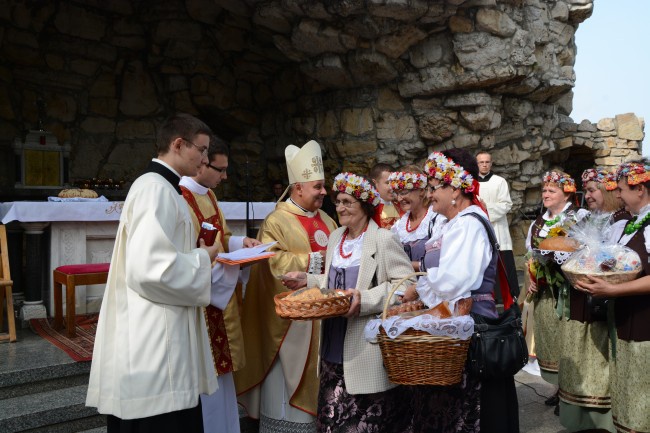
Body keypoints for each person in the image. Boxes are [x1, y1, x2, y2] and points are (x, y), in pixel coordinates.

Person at [86, 113, 223, 432]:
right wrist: (205, 256)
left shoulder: (161, 187)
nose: (205, 159)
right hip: (155, 342)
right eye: (201, 150)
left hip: (159, 331)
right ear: (178, 144)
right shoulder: (155, 189)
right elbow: (150, 269)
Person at [283, 172, 415, 433]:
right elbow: (334, 283)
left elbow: (407, 286)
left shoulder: (383, 239)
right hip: (332, 345)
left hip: (364, 350)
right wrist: (307, 281)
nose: (340, 208)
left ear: (364, 205)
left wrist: (364, 299)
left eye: (347, 202)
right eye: (338, 201)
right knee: (330, 424)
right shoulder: (335, 238)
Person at [403, 149, 520, 433]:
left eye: (433, 188)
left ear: (455, 187)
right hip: (451, 323)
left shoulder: (468, 224)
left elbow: (454, 281)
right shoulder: (449, 223)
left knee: (470, 412)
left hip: (471, 329)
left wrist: (420, 288)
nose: (429, 195)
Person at [235, 140, 338, 433]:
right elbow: (273, 264)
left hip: (322, 320)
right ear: (298, 188)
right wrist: (317, 261)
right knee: (284, 403)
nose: (323, 192)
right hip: (290, 328)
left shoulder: (327, 220)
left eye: (323, 186)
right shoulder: (276, 221)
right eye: (318, 186)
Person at [179, 136, 262, 433]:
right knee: (207, 378)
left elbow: (222, 236)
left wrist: (242, 243)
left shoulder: (210, 195)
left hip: (218, 294)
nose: (225, 176)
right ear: (202, 165)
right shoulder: (180, 198)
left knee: (222, 378)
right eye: (221, 169)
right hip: (202, 300)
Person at [576, 159, 650, 433]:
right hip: (627, 318)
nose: (616, 195)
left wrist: (613, 290)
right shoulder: (631, 223)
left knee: (643, 388)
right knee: (629, 387)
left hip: (644, 322)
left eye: (620, 189)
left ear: (640, 189)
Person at [555, 168, 625, 433]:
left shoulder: (619, 220)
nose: (589, 196)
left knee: (598, 359)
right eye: (587, 191)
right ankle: (579, 414)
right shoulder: (587, 219)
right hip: (580, 295)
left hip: (601, 300)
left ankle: (600, 418)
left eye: (594, 189)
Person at [525, 170, 588, 414]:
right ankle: (559, 387)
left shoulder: (577, 218)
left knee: (567, 341)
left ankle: (570, 394)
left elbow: (582, 251)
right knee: (550, 340)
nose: (546, 194)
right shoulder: (539, 221)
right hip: (544, 292)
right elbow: (531, 256)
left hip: (568, 291)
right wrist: (531, 278)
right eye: (544, 190)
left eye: (552, 190)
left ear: (567, 193)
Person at [476, 151, 519, 302]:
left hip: (498, 229)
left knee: (503, 264)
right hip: (478, 229)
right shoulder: (471, 184)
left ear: (491, 163)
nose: (484, 164)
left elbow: (506, 204)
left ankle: (509, 298)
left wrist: (486, 208)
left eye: (487, 162)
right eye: (481, 162)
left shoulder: (499, 181)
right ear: (477, 164)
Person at [388, 166, 445, 272]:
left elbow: (441, 261)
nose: (400, 198)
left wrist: (407, 265)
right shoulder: (399, 226)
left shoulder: (436, 220)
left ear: (422, 191)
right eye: (397, 193)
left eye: (404, 192)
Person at [369, 163, 401, 228]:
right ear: (375, 183)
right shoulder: (371, 210)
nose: (392, 187)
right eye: (387, 183)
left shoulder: (400, 203)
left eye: (393, 182)